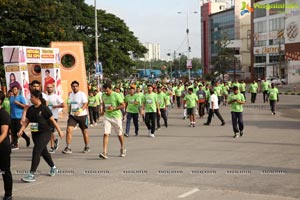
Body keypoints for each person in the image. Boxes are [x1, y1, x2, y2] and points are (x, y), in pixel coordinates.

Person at [17, 90, 64, 182]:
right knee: (44, 152)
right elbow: (26, 122)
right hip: (35, 134)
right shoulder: (30, 109)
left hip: (45, 133)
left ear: (37, 98)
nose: (30, 99)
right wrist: (21, 130)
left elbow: (52, 120)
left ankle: (32, 174)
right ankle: (53, 167)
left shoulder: (44, 108)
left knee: (36, 150)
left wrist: (59, 131)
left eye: (32, 97)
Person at [99, 83, 126, 159]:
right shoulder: (103, 95)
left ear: (110, 88)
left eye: (107, 91)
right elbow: (104, 104)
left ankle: (123, 147)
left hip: (116, 117)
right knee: (106, 133)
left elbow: (123, 105)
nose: (106, 92)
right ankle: (104, 152)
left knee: (119, 134)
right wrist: (103, 111)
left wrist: (114, 108)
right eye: (104, 91)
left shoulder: (116, 95)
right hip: (107, 116)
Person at [62, 81, 90, 154]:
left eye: (76, 86)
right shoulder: (70, 95)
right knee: (68, 130)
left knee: (84, 131)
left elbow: (85, 104)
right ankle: (68, 147)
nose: (75, 87)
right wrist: (69, 112)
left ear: (78, 86)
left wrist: (79, 111)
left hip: (82, 116)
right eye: (73, 86)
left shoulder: (82, 94)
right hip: (73, 116)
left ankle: (87, 146)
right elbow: (70, 104)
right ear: (71, 87)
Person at [0, 91, 13, 200]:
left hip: (2, 148)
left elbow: (4, 133)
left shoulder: (3, 114)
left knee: (5, 171)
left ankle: (8, 195)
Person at [10, 86, 30, 150]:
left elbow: (25, 106)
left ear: (18, 90)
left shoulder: (21, 97)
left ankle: (27, 138)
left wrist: (18, 103)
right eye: (13, 90)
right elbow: (11, 107)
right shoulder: (11, 98)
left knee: (19, 130)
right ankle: (15, 144)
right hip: (12, 117)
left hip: (19, 117)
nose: (14, 91)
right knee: (13, 131)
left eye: (15, 89)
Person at [46, 84, 65, 153]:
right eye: (48, 87)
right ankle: (54, 141)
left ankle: (52, 146)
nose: (49, 89)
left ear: (53, 88)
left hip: (54, 116)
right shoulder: (45, 97)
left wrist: (56, 106)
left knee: (50, 132)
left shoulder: (56, 97)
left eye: (50, 87)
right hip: (45, 117)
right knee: (46, 132)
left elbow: (63, 105)